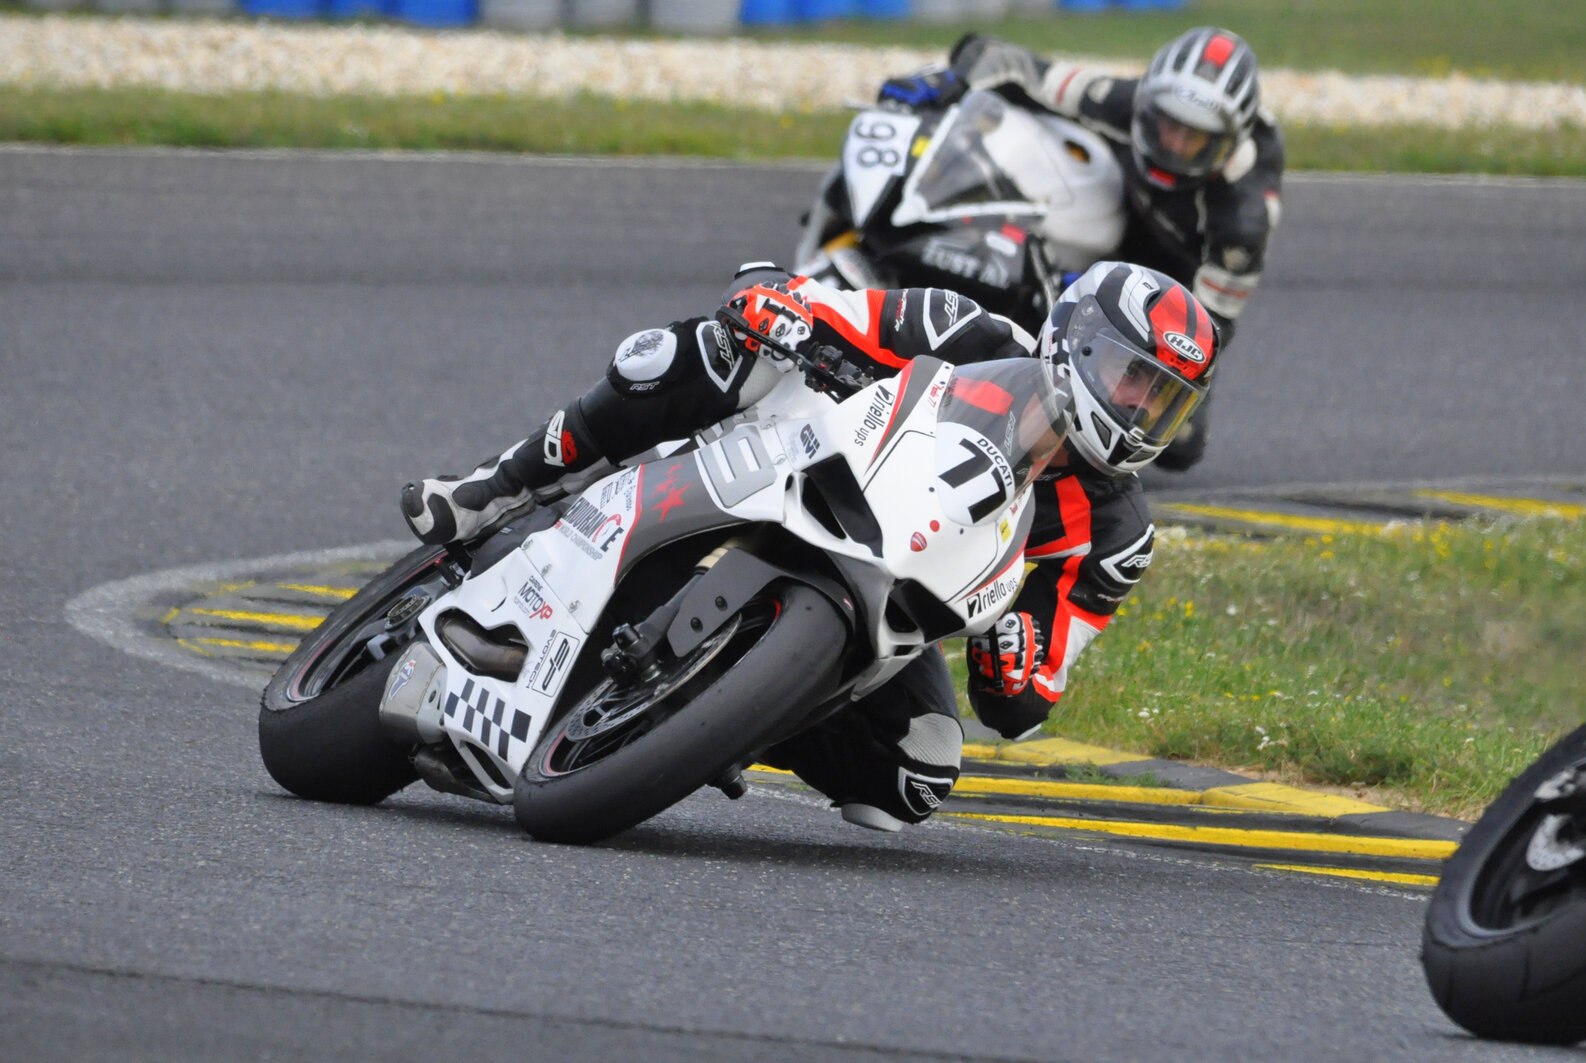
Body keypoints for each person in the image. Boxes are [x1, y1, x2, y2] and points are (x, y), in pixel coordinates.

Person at [401, 260, 1216, 832]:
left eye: (1164, 399)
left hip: (895, 594)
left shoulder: (1117, 537)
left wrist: (1019, 659)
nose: (1140, 408)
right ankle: (497, 484)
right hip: (807, 455)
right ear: (1076, 340)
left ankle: (714, 721)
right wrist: (781, 306)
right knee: (704, 352)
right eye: (1132, 376)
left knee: (918, 771)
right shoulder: (965, 330)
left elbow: (1031, 686)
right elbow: (829, 309)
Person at [879, 26, 1283, 469]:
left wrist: (1129, 340)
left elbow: (1212, 325)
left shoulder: (1244, 218)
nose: (1174, 146)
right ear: (1147, 105)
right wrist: (947, 80)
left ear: (1228, 143)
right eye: (1168, 126)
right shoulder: (1124, 101)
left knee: (1179, 442)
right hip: (1109, 228)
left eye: (1196, 140)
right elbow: (1003, 60)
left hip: (1175, 285)